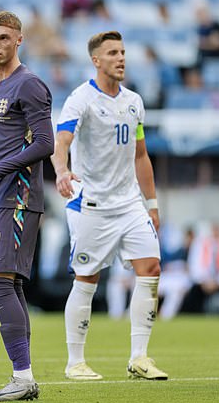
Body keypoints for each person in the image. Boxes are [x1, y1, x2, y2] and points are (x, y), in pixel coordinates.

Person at [51, 30, 168, 381]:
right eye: (113, 53)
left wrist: (152, 202)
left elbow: (141, 155)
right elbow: (62, 140)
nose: (121, 58)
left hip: (130, 203)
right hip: (92, 203)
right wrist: (61, 170)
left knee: (151, 269)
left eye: (123, 52)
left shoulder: (134, 101)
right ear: (96, 60)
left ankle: (140, 357)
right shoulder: (81, 99)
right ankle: (75, 362)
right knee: (88, 278)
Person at [0, 11, 54, 402]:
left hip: (18, 197)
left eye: (4, 37)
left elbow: (44, 143)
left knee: (0, 283)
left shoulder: (29, 84)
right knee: (9, 284)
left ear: (19, 40)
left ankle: (22, 378)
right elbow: (3, 146)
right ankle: (24, 377)